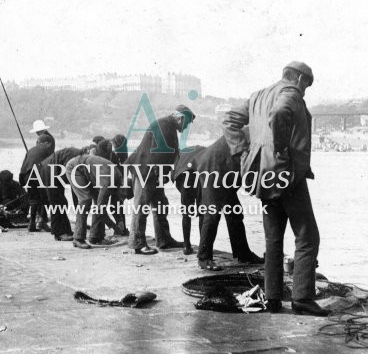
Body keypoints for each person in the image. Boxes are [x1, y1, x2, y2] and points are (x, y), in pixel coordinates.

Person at [222, 61, 329, 316]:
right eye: (307, 86)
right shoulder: (290, 93)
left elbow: (229, 120)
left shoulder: (258, 95)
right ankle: (302, 298)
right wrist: (280, 149)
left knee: (273, 239)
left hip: (263, 176)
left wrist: (242, 151)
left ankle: (272, 299)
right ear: (300, 79)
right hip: (287, 175)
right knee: (307, 235)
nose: (305, 91)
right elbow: (280, 114)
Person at [125, 105, 195, 255]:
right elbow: (159, 153)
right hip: (146, 171)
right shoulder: (165, 125)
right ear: (180, 118)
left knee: (161, 205)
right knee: (141, 207)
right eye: (187, 123)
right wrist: (161, 175)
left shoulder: (167, 125)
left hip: (152, 173)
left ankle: (164, 240)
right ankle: (137, 244)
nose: (187, 126)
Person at [188, 136, 263, 270]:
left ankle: (243, 254)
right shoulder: (259, 135)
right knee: (212, 214)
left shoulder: (259, 133)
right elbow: (248, 167)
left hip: (225, 169)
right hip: (213, 167)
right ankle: (204, 258)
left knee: (235, 213)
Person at [65, 154, 127, 249]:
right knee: (85, 200)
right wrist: (114, 226)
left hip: (89, 173)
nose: (122, 199)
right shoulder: (109, 182)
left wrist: (120, 220)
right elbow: (100, 210)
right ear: (123, 189)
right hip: (75, 168)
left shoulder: (119, 181)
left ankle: (96, 237)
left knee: (98, 200)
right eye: (123, 197)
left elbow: (114, 203)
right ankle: (78, 238)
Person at [40, 147, 88, 241]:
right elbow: (72, 180)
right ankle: (59, 233)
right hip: (49, 170)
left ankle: (66, 231)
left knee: (62, 202)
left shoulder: (78, 157)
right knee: (56, 202)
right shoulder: (75, 156)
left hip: (53, 170)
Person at [19, 134, 55, 232]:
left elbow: (23, 167)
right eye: (49, 144)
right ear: (47, 143)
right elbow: (51, 166)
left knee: (33, 199)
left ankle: (32, 223)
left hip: (28, 176)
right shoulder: (48, 150)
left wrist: (21, 183)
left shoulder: (30, 150)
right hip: (39, 174)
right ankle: (42, 221)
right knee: (45, 198)